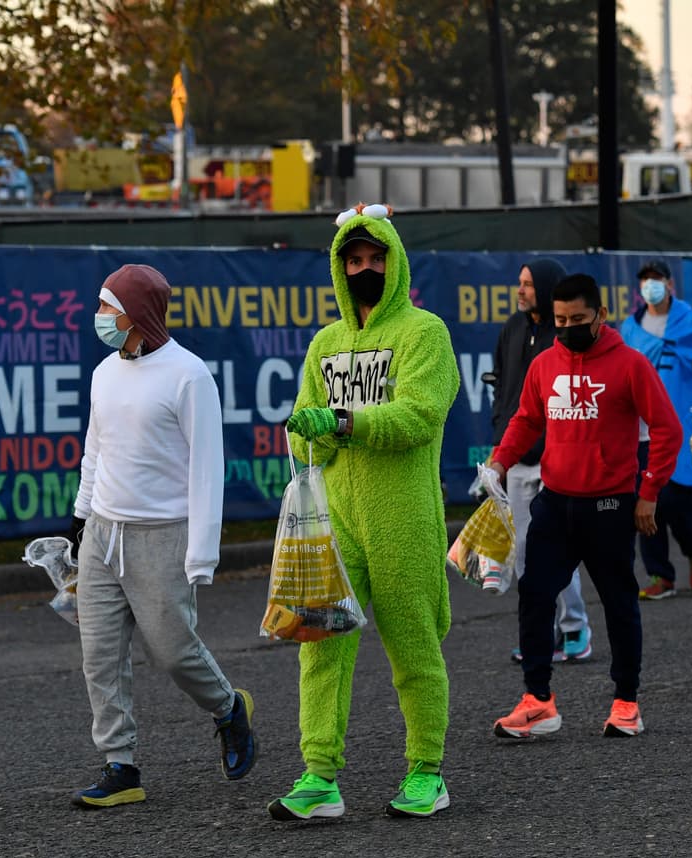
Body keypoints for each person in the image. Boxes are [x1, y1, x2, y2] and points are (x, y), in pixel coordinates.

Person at [275, 204, 460, 820]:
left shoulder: (424, 332)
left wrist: (343, 420)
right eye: (353, 260)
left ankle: (426, 771)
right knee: (320, 645)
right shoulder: (326, 343)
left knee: (413, 647)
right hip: (336, 518)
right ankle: (319, 776)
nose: (364, 269)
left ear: (396, 261)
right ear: (338, 266)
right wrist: (307, 432)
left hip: (404, 517)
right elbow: (306, 432)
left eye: (375, 259)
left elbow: (418, 416)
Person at [67, 263, 256, 809]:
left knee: (173, 653)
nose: (99, 316)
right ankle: (120, 766)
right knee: (99, 656)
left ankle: (227, 709)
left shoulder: (188, 375)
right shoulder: (104, 372)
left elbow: (206, 468)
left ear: (135, 313)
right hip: (104, 534)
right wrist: (82, 519)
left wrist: (202, 554)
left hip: (162, 537)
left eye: (106, 306)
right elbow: (95, 449)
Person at [489, 273, 682, 741]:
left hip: (611, 507)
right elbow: (527, 418)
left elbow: (667, 430)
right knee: (534, 596)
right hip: (554, 504)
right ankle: (538, 701)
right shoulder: (545, 364)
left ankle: (626, 703)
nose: (568, 326)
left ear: (599, 315)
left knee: (619, 605)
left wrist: (649, 493)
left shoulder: (631, 365)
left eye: (578, 318)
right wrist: (499, 462)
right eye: (560, 319)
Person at [485, 256, 593, 662]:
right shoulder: (513, 328)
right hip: (515, 460)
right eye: (520, 282)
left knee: (556, 551)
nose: (521, 290)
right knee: (525, 555)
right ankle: (540, 636)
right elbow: (501, 386)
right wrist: (501, 433)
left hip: (554, 460)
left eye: (528, 284)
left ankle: (575, 631)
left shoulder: (564, 335)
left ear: (546, 288)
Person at [620, 259, 692, 600]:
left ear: (670, 284)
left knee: (675, 499)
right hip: (638, 429)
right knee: (643, 500)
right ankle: (661, 574)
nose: (651, 285)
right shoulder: (630, 328)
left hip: (676, 422)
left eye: (656, 279)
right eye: (645, 280)